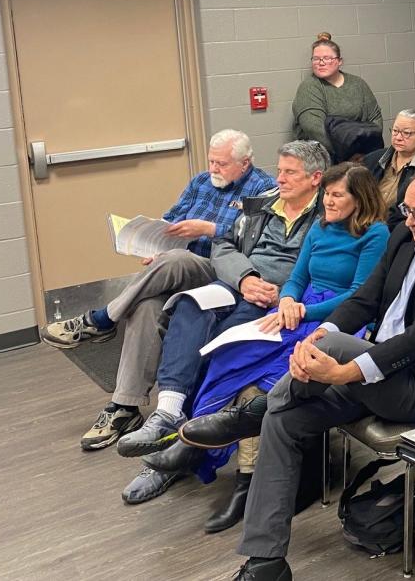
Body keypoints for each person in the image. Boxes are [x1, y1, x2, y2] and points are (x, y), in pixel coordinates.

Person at [219, 166, 415, 581]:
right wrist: (322, 334)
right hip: (377, 376)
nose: (411, 220)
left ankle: (252, 413)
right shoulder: (404, 235)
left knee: (327, 350)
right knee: (284, 420)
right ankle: (266, 561)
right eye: (407, 209)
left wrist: (345, 369)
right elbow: (366, 300)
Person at [176, 162, 388, 533]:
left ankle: (247, 485)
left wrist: (304, 308)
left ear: (361, 199)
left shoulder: (375, 234)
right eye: (327, 194)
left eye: (338, 195)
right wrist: (289, 300)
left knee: (267, 379)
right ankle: (195, 441)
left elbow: (359, 295)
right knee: (228, 354)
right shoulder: (320, 227)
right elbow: (297, 277)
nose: (328, 200)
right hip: (296, 310)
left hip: (338, 318)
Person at [113, 141, 329, 504]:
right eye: (279, 169)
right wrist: (244, 277)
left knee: (218, 345)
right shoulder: (264, 202)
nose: (279, 178)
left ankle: (177, 452)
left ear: (315, 178)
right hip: (240, 285)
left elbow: (325, 270)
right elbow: (224, 245)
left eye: (290, 172)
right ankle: (167, 412)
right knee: (189, 306)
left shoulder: (328, 214)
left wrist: (285, 292)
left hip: (280, 299)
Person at [40, 129, 276, 451]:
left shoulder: (262, 189)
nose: (214, 169)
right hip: (177, 268)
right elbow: (170, 220)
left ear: (245, 163)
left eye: (221, 164)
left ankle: (102, 320)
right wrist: (155, 243)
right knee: (147, 305)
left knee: (178, 258)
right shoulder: (200, 183)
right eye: (211, 161)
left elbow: (252, 241)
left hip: (220, 272)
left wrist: (209, 229)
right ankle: (126, 406)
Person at [291, 32, 382, 155]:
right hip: (321, 157)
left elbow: (375, 119)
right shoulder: (309, 87)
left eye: (327, 58)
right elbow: (315, 130)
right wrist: (348, 154)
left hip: (362, 154)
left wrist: (368, 148)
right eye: (316, 59)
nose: (321, 63)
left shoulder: (358, 84)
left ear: (339, 61)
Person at [365, 109, 415, 230]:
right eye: (395, 131)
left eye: (406, 133)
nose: (398, 137)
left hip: (401, 229)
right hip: (364, 225)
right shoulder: (373, 159)